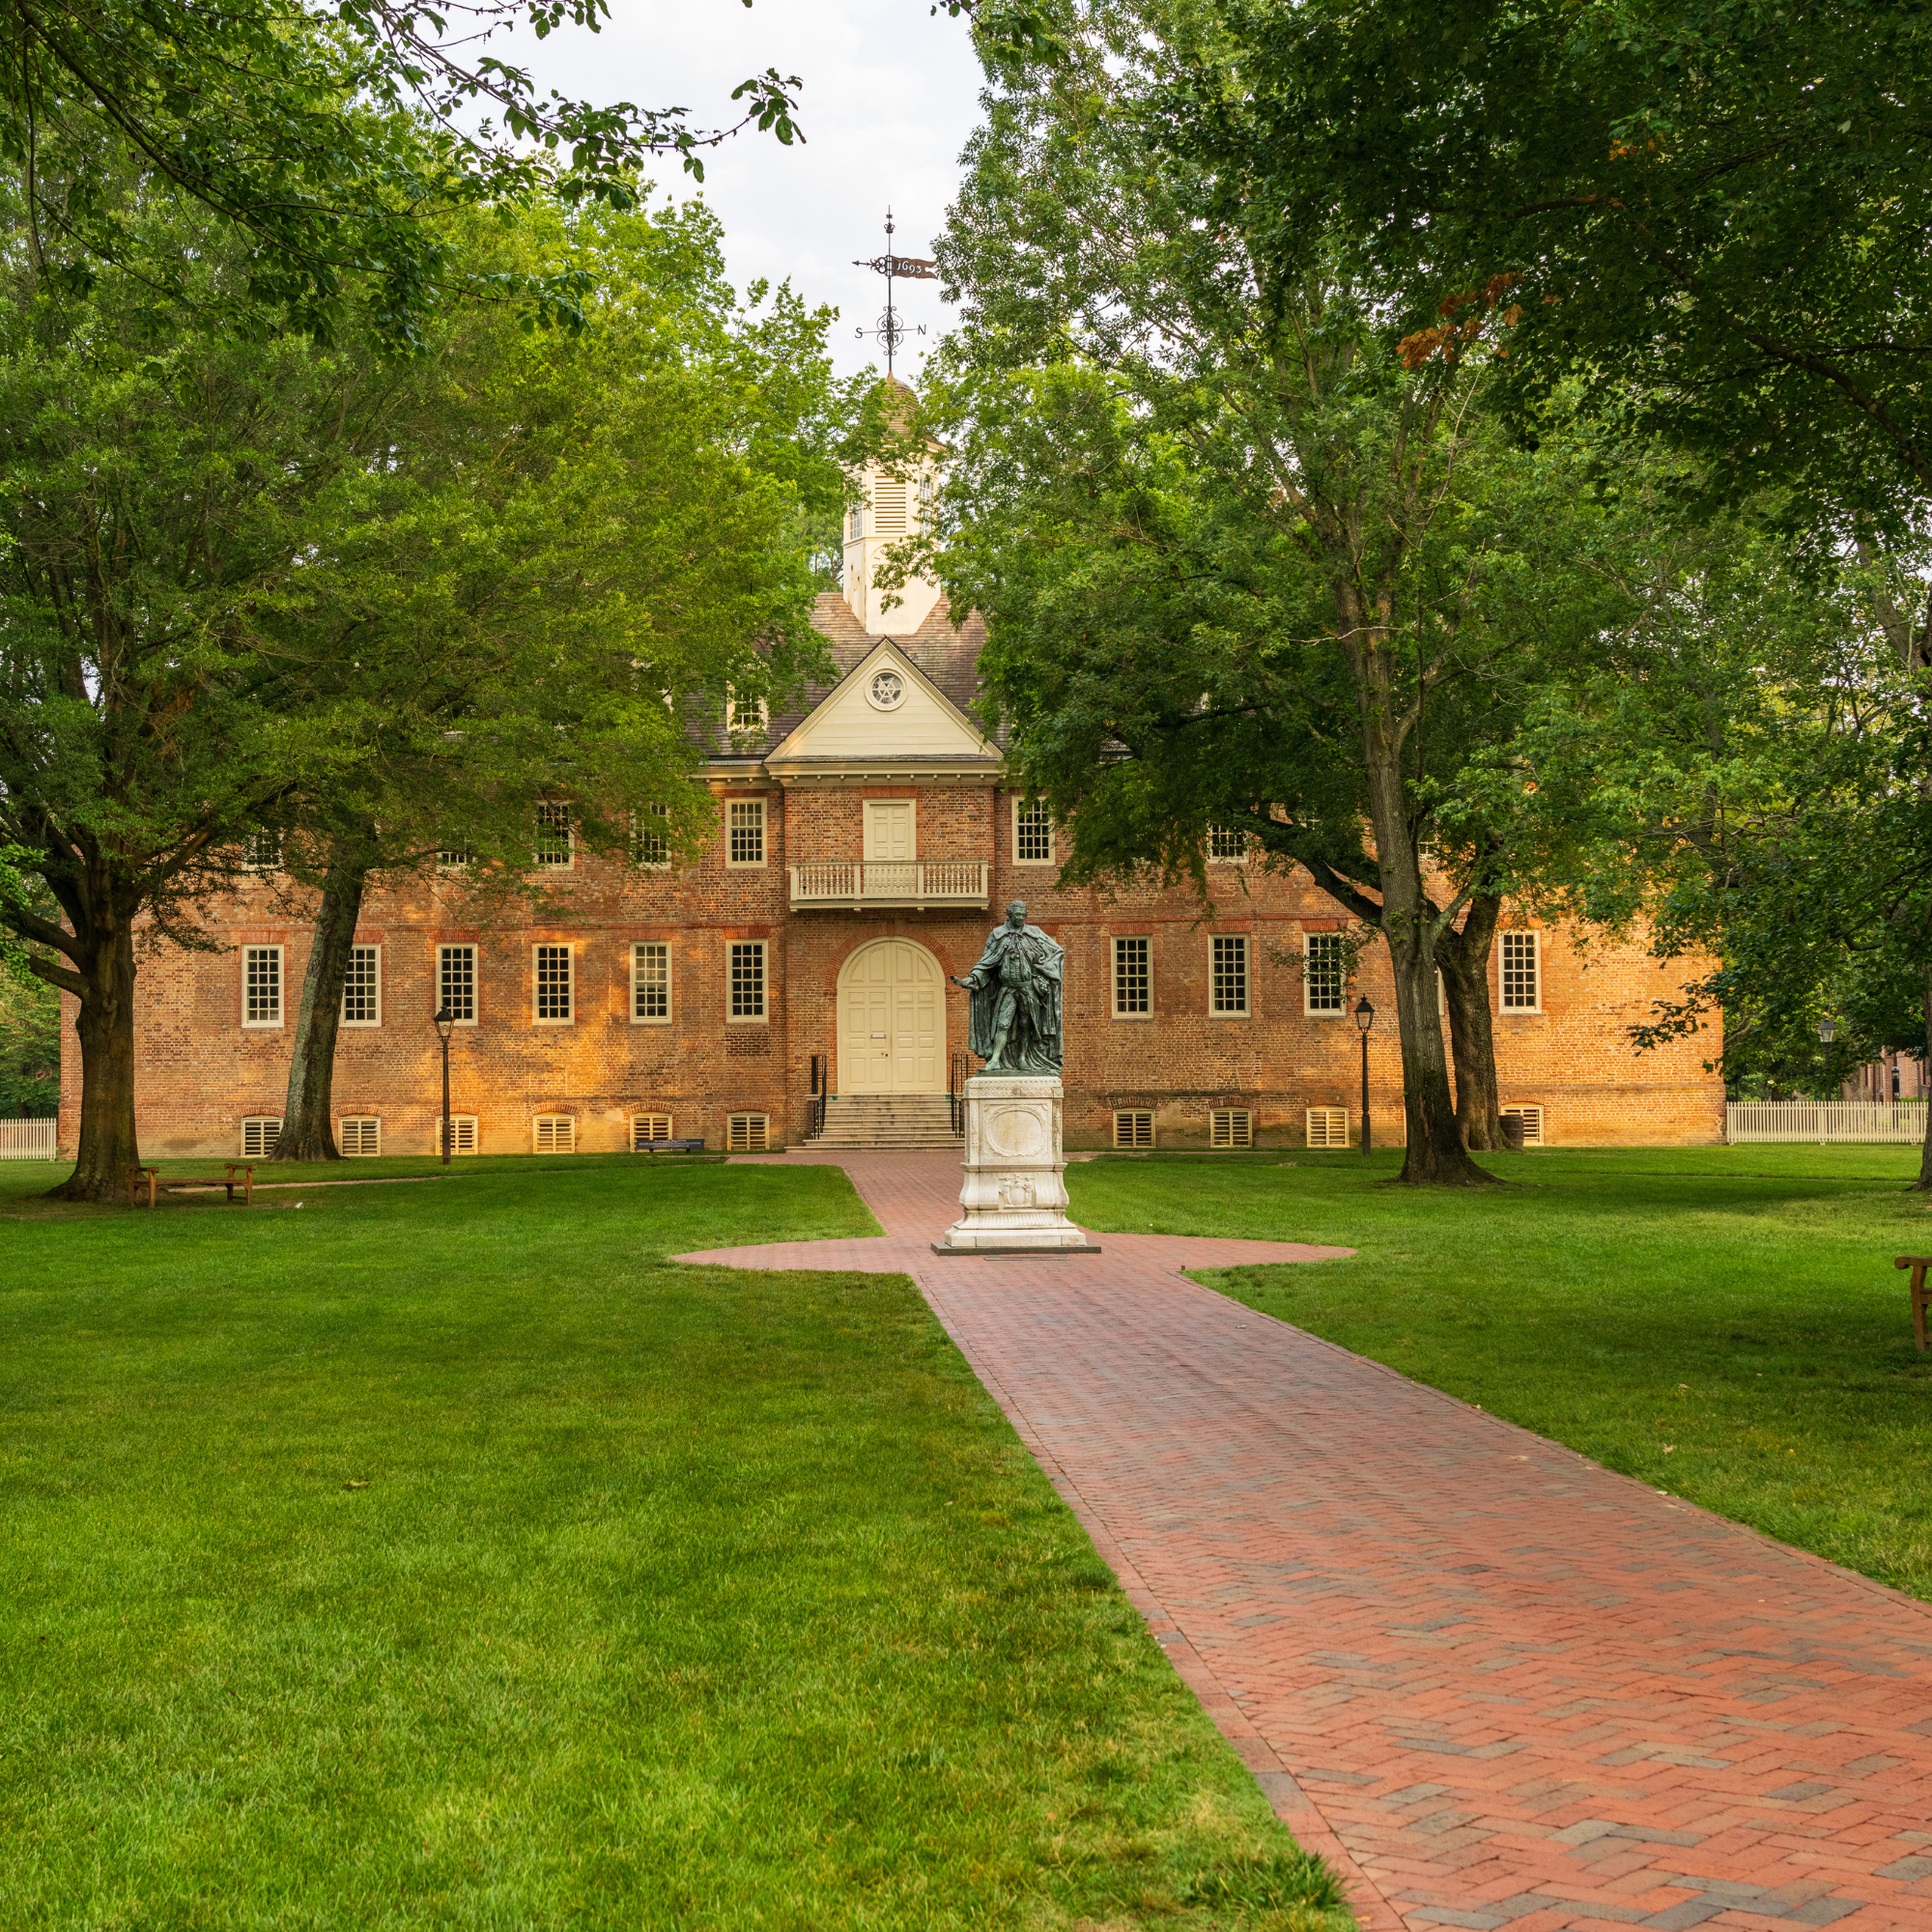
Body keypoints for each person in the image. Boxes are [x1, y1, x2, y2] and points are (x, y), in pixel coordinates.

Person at [952, 901, 1065, 1074]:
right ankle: (995, 1060)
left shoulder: (1034, 934)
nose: (1020, 918)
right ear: (1009, 915)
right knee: (1002, 1024)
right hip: (1008, 989)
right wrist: (972, 978)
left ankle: (1023, 1059)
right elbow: (986, 962)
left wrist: (1041, 968)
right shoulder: (997, 935)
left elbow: (1057, 952)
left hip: (1028, 989)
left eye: (1023, 915)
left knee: (1026, 1025)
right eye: (1017, 915)